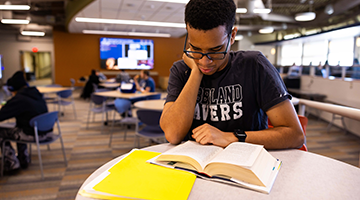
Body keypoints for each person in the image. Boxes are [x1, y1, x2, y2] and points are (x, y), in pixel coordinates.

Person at [159, 0, 304, 150]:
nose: (205, 61)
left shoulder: (254, 65)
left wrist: (230, 137)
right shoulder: (182, 70)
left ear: (232, 36)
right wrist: (196, 73)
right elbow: (173, 134)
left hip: (246, 164)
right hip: (195, 167)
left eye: (215, 50)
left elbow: (295, 135)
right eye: (196, 49)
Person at [0, 71, 49, 173]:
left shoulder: (19, 99)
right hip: (46, 131)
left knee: (2, 132)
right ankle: (23, 159)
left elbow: (2, 115)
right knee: (20, 125)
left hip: (33, 134)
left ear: (13, 89)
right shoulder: (36, 93)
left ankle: (12, 164)